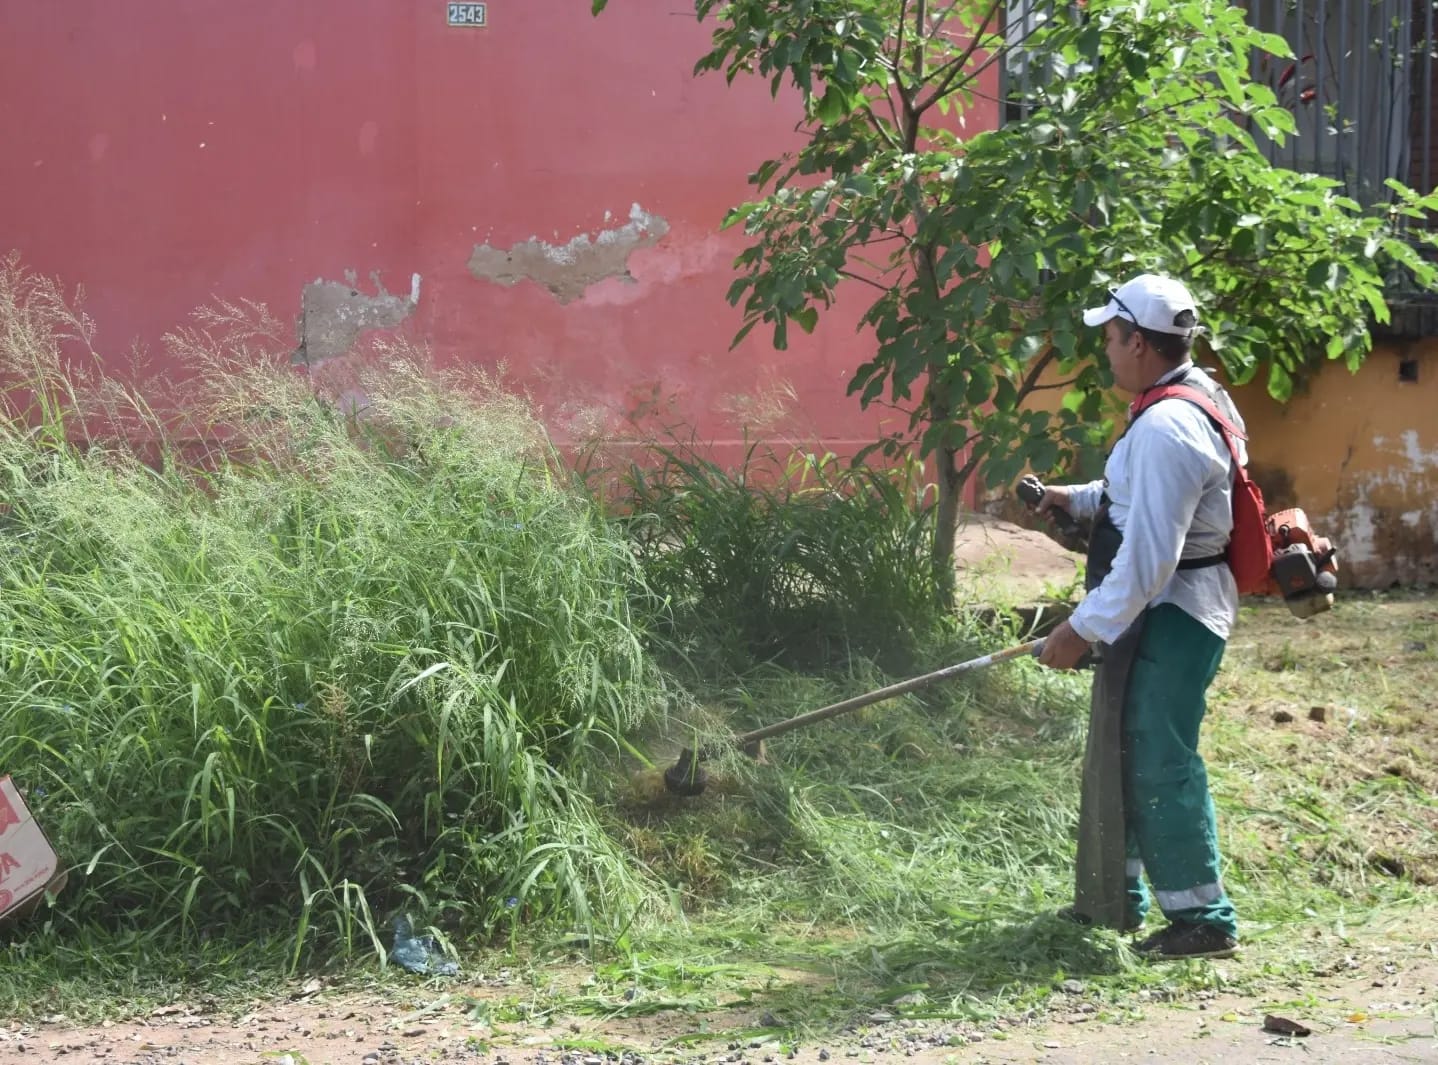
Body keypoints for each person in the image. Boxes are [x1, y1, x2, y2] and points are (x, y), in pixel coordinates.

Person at [1035, 273, 1244, 961]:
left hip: (1175, 611)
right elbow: (1137, 495)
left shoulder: (1168, 426)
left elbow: (1149, 559)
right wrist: (1078, 498)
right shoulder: (1183, 396)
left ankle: (1203, 920)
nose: (1105, 351)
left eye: (1112, 338)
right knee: (1122, 749)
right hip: (1158, 607)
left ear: (1141, 344)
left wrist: (1078, 629)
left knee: (1158, 758)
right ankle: (1113, 903)